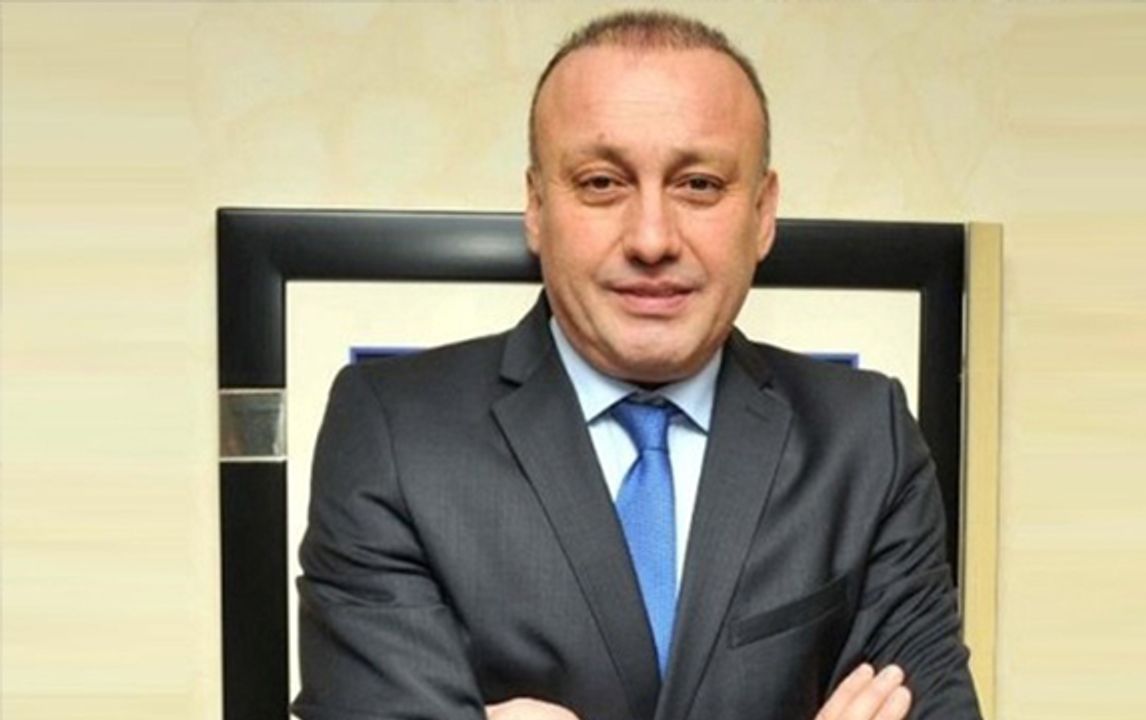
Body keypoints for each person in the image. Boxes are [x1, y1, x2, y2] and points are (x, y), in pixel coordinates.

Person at [293, 10, 981, 720]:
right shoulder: (393, 434)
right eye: (601, 183)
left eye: (699, 185)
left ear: (763, 212)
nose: (652, 239)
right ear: (536, 206)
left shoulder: (865, 439)